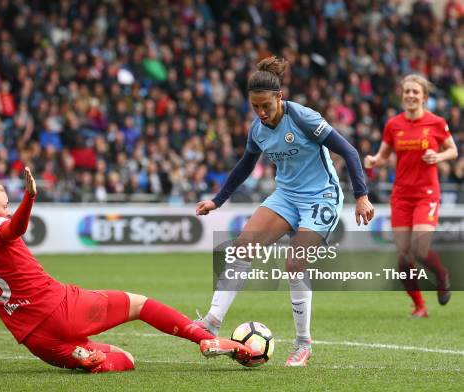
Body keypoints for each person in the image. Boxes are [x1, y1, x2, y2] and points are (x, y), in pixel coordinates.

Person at [0, 167, 251, 373]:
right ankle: (203, 338)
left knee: (126, 359)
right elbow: (14, 227)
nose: (7, 210)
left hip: (36, 341)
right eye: (4, 206)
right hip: (59, 308)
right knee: (140, 304)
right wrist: (29, 198)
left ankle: (85, 358)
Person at [194, 57, 375, 367]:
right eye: (255, 107)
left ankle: (303, 344)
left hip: (322, 196)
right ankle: (212, 321)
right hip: (286, 196)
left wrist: (362, 196)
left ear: (279, 96)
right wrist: (218, 200)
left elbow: (349, 151)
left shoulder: (303, 117)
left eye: (266, 105)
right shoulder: (257, 129)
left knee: (294, 263)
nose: (261, 113)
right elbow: (245, 166)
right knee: (240, 249)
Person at [364, 74, 458, 317]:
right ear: (402, 95)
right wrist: (375, 160)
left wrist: (438, 157)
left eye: (416, 92)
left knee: (419, 247)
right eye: (407, 92)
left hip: (426, 194)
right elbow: (384, 156)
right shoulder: (393, 124)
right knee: (404, 256)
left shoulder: (436, 122)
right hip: (401, 195)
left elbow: (453, 150)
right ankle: (419, 306)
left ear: (424, 97)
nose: (411, 96)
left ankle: (441, 274)